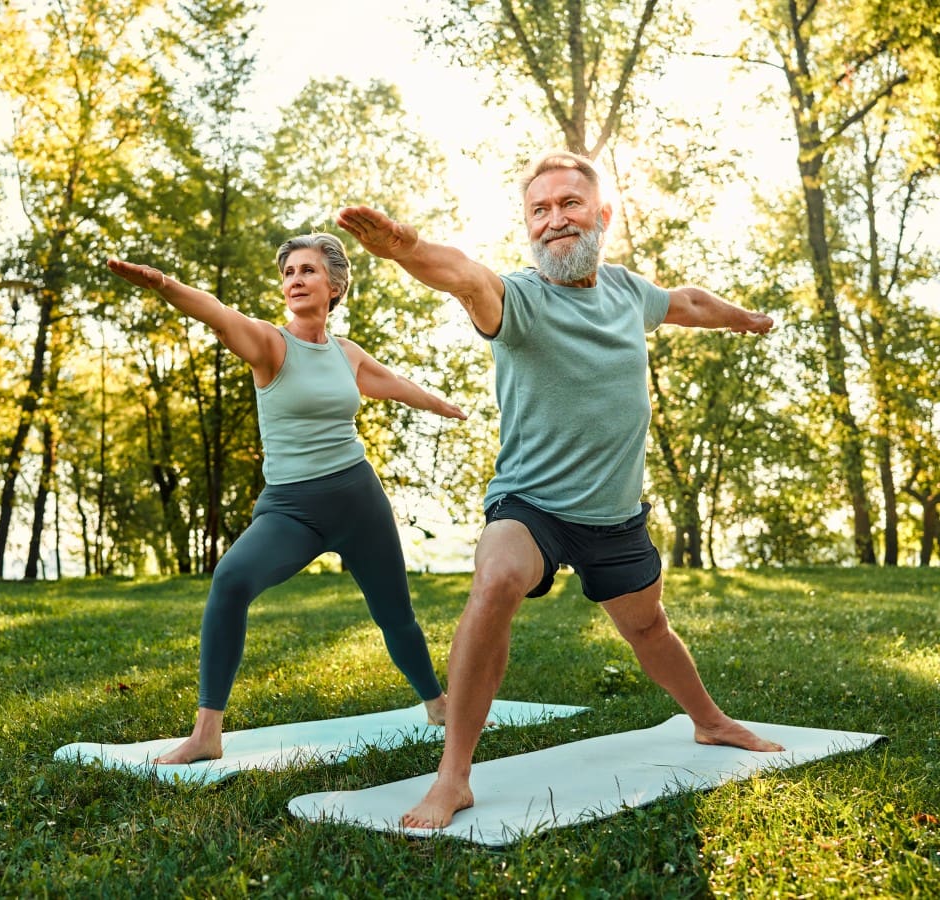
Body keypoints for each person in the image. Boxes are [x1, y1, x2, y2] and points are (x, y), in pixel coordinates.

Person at [336, 149, 785, 829]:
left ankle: (710, 721)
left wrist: (742, 318)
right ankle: (452, 776)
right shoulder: (518, 299)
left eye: (569, 204)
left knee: (648, 627)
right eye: (539, 210)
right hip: (533, 506)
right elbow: (463, 276)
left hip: (614, 516)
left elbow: (688, 302)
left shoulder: (629, 292)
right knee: (495, 579)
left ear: (602, 215)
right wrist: (406, 249)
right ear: (527, 227)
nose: (554, 220)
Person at [106, 233, 466, 764]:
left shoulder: (347, 353)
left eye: (308, 271)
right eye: (289, 272)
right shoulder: (270, 345)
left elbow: (391, 383)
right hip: (293, 509)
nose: (295, 280)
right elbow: (219, 315)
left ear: (336, 286)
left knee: (396, 615)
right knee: (230, 579)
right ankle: (207, 733)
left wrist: (443, 407)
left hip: (359, 500)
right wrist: (163, 284)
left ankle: (437, 704)